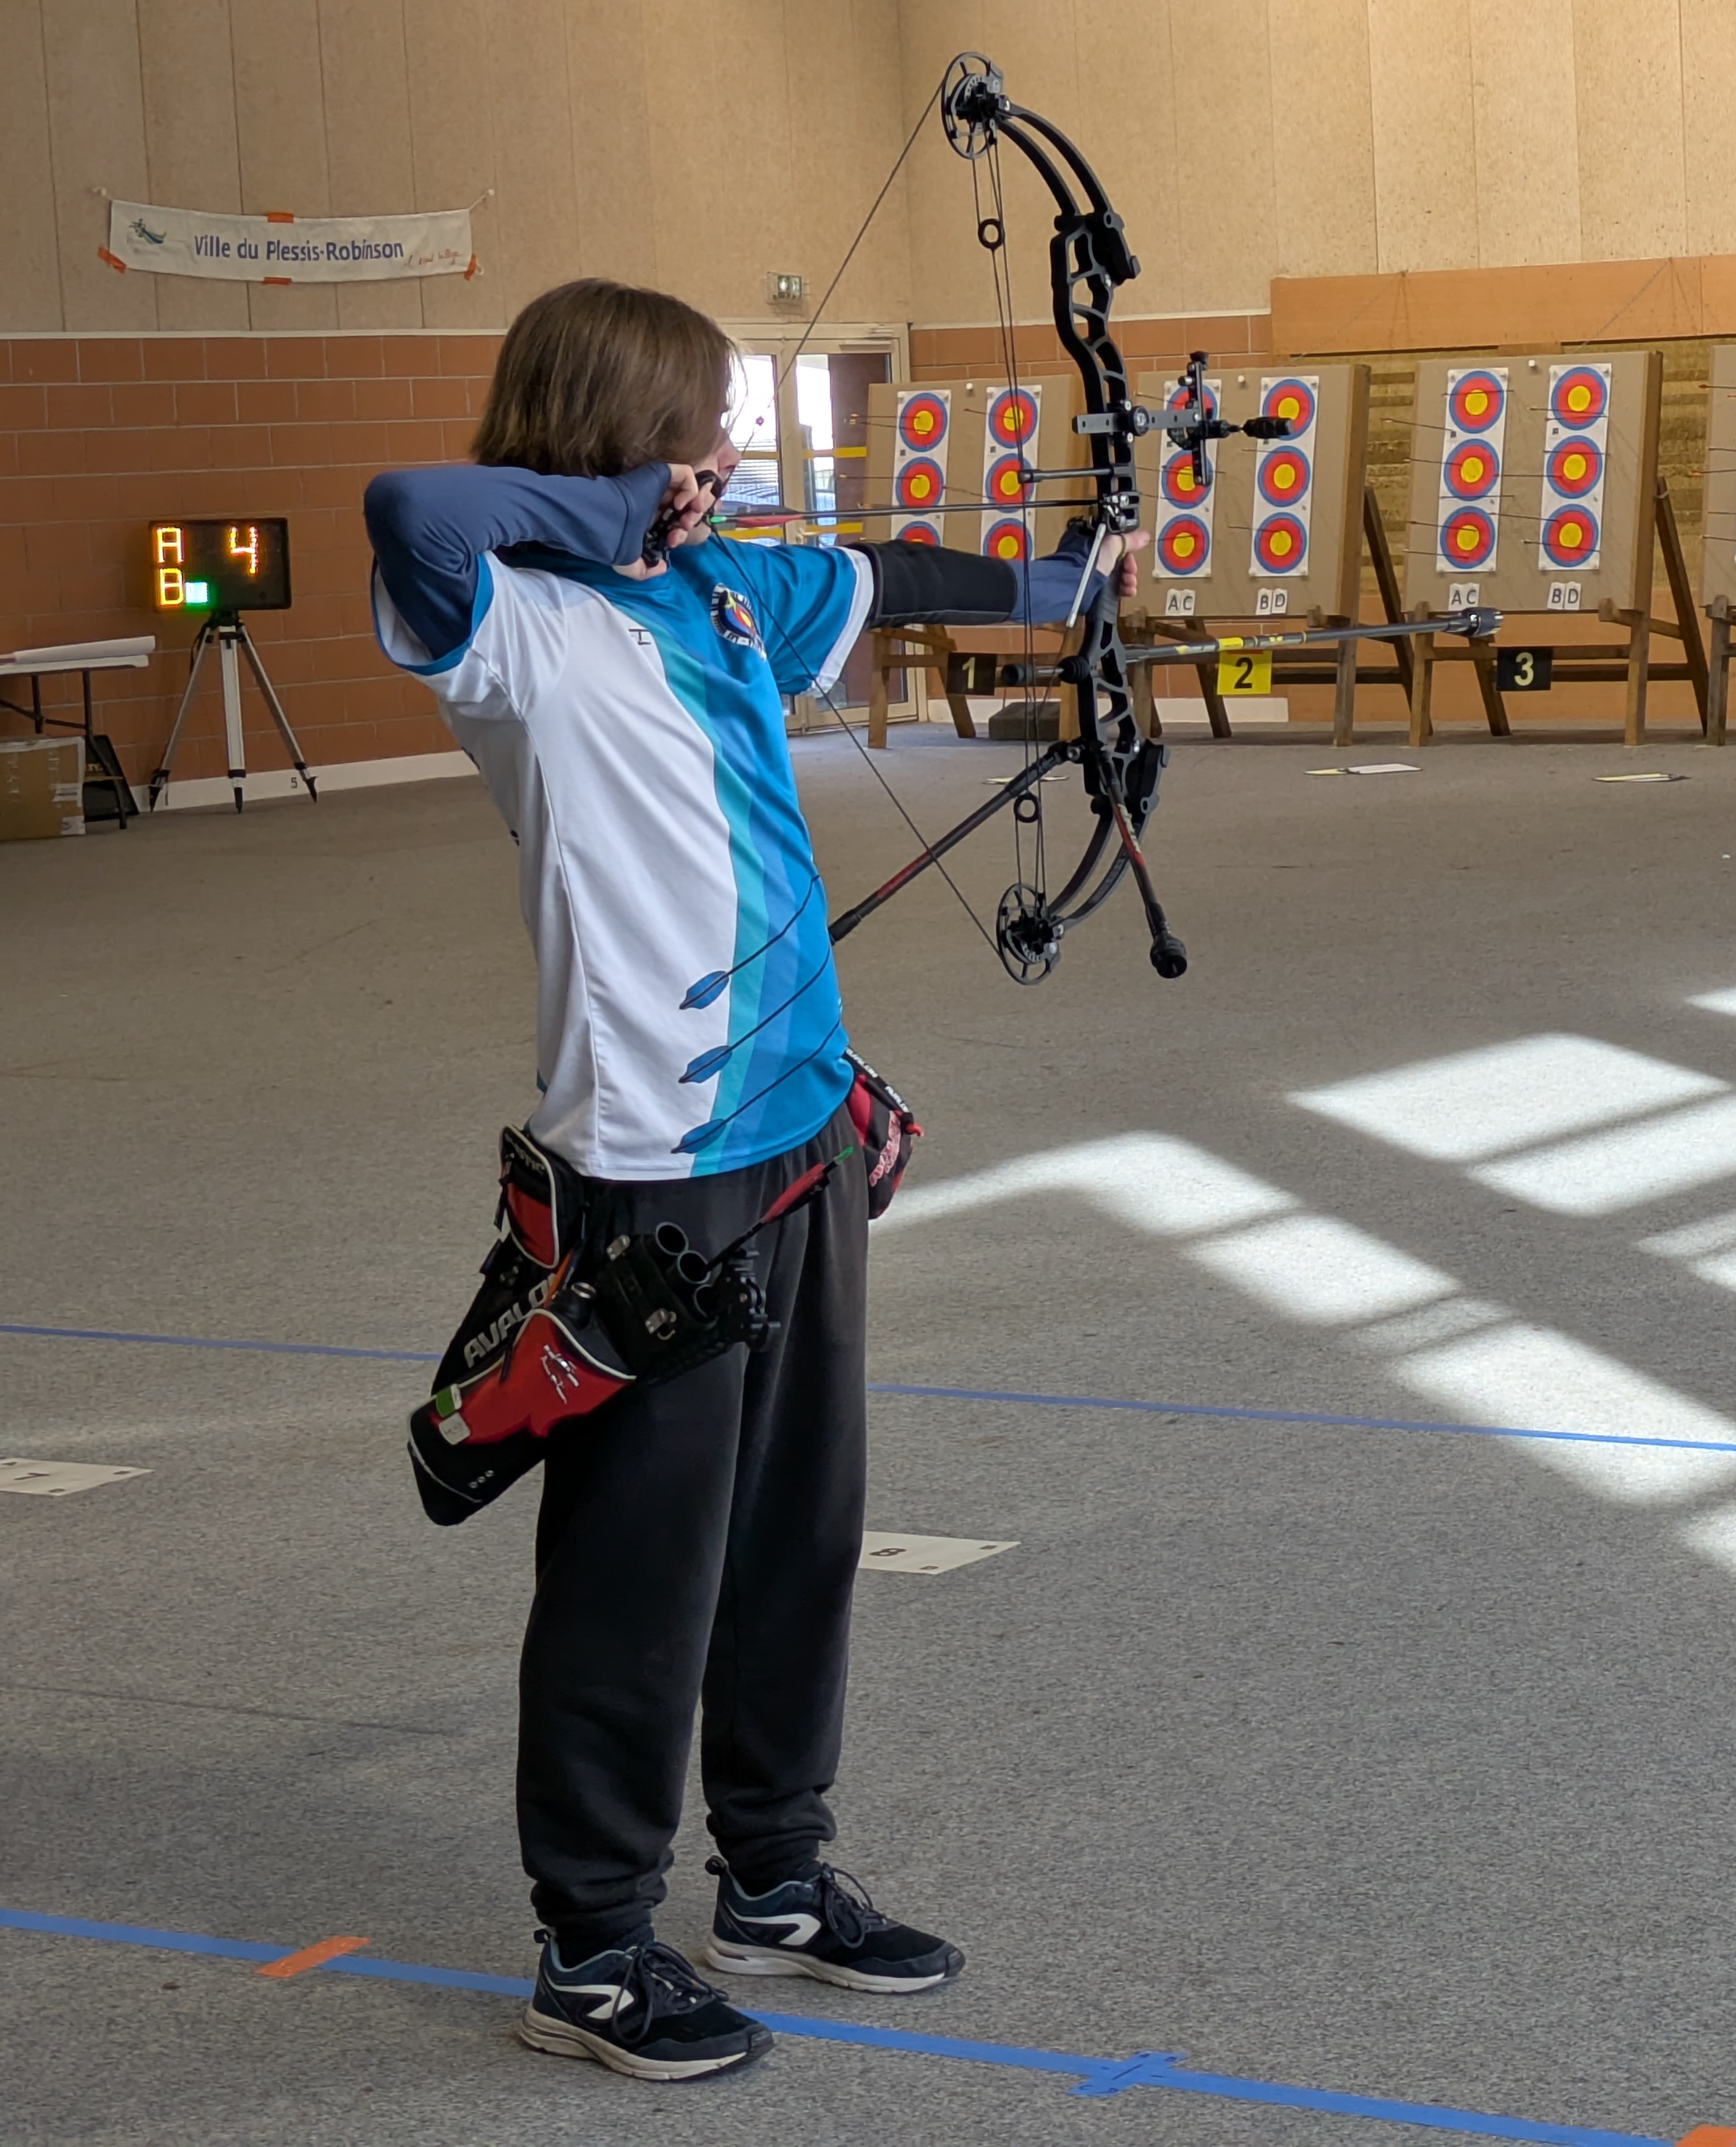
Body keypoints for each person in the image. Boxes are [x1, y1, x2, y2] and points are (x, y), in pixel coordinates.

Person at [364, 278, 1142, 2083]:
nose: (727, 449)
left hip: (801, 1134)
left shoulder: (725, 593)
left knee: (799, 1530)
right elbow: (415, 503)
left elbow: (893, 572)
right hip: (653, 1164)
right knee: (640, 1568)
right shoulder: (512, 625)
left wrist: (1068, 579)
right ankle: (592, 1947)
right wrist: (619, 511)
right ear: (624, 432)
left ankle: (775, 1877)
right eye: (702, 423)